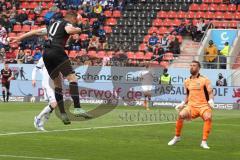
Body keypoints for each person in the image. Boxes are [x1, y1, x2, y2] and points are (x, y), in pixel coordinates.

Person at [10, 11, 92, 124]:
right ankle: (77, 108)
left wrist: (19, 38)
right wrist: (79, 29)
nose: (76, 22)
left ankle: (63, 114)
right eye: (76, 20)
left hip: (46, 55)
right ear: (72, 19)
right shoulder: (66, 24)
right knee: (72, 79)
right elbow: (70, 30)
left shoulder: (52, 25)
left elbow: (35, 31)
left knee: (58, 85)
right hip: (57, 52)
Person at [168, 60, 214, 149]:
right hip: (191, 106)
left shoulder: (205, 80)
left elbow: (210, 92)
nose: (192, 67)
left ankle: (204, 142)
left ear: (199, 68)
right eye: (191, 65)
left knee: (208, 117)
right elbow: (188, 95)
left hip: (203, 106)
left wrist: (211, 100)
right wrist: (182, 103)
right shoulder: (187, 81)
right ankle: (177, 137)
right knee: (181, 115)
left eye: (194, 65)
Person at [32, 58, 57, 131]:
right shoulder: (44, 58)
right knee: (54, 104)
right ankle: (38, 118)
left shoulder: (58, 58)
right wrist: (33, 79)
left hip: (54, 85)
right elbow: (35, 69)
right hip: (47, 85)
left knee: (52, 107)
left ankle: (41, 124)